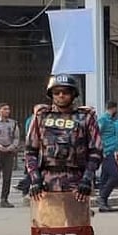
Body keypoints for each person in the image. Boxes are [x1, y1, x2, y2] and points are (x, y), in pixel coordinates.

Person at [24, 75, 103, 204]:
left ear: (73, 94)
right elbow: (30, 151)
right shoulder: (41, 116)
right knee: (47, 223)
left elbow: (96, 151)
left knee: (77, 223)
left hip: (77, 182)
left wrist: (87, 179)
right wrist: (35, 179)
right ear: (51, 95)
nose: (61, 95)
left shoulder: (85, 117)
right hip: (46, 182)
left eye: (65, 92)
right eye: (56, 92)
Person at [0, 103, 22, 208]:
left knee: (7, 177)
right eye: (5, 109)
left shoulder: (13, 123)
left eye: (8, 109)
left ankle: (4, 199)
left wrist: (11, 147)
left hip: (9, 152)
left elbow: (16, 138)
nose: (7, 111)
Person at [96, 100, 118, 212]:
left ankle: (104, 203)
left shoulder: (113, 120)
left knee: (105, 177)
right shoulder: (104, 120)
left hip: (113, 151)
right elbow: (96, 134)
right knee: (115, 176)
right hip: (107, 152)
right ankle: (102, 197)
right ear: (114, 108)